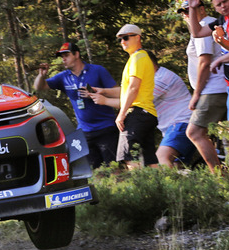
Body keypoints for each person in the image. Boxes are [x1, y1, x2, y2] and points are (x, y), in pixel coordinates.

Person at [89, 51, 195, 167]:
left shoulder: (160, 79)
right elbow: (127, 91)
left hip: (181, 124)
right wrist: (103, 91)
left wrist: (105, 101)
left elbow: (134, 100)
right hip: (177, 126)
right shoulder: (153, 77)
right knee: (174, 166)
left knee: (162, 158)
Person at [34, 42, 119, 168]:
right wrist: (41, 75)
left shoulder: (97, 70)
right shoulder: (63, 77)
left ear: (77, 55)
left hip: (106, 129)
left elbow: (118, 92)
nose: (63, 59)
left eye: (66, 55)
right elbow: (39, 87)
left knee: (115, 170)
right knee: (94, 172)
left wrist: (98, 93)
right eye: (61, 56)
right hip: (84, 132)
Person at [182, 0, 228, 172]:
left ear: (202, 8)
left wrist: (196, 94)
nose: (187, 14)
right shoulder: (206, 25)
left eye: (190, 10)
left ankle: (219, 176)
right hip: (220, 87)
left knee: (194, 132)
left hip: (213, 88)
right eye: (184, 12)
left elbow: (205, 62)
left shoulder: (205, 26)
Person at [108, 24, 158, 168]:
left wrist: (121, 114)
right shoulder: (138, 58)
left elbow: (133, 87)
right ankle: (160, 189)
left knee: (127, 155)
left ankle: (138, 188)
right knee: (150, 160)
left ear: (137, 37)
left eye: (125, 38)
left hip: (138, 112)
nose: (122, 42)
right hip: (147, 113)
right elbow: (128, 90)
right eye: (120, 40)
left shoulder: (138, 57)